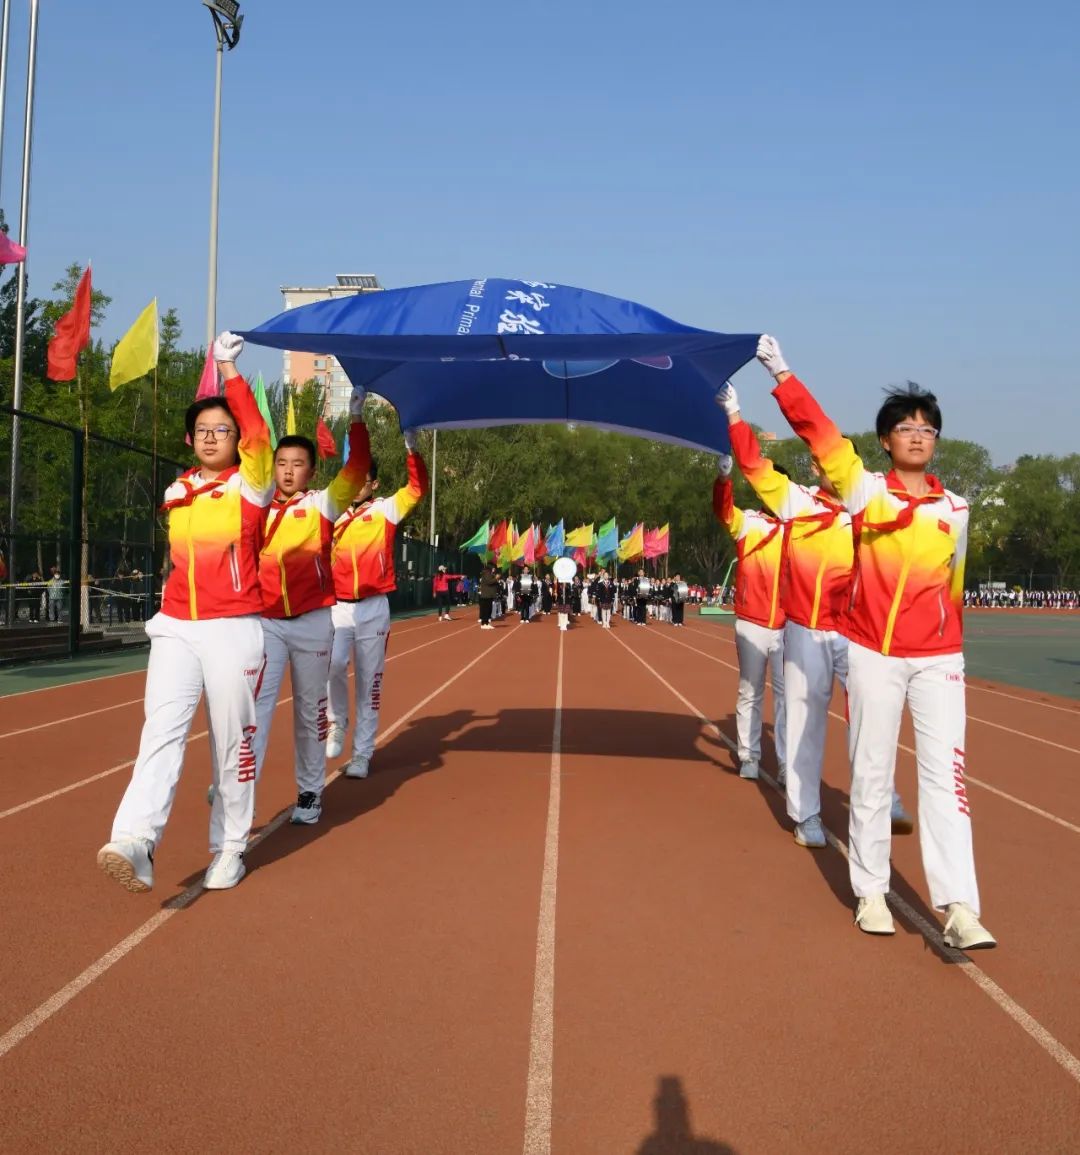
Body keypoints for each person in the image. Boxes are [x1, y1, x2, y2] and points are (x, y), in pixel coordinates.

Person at [754, 334, 994, 948]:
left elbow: (955, 585)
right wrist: (782, 373)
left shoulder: (957, 509)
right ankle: (870, 891)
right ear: (886, 440)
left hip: (939, 660)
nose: (918, 435)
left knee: (946, 780)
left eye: (927, 428)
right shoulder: (868, 493)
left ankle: (960, 905)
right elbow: (821, 438)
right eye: (906, 427)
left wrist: (951, 648)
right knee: (870, 771)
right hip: (874, 656)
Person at [97, 331, 274, 893]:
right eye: (202, 431)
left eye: (223, 430)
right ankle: (135, 840)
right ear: (189, 439)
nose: (211, 437)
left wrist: (228, 371)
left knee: (232, 741)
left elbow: (261, 438)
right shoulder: (177, 493)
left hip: (232, 628)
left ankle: (229, 846)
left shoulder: (252, 488)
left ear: (238, 439)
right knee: (161, 732)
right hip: (175, 626)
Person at [717, 382, 913, 847]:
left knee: (874, 710)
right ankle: (806, 816)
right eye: (823, 461)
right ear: (815, 466)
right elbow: (756, 468)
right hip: (805, 630)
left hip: (855, 631)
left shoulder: (870, 509)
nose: (830, 468)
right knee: (805, 723)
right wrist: (734, 416)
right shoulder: (798, 504)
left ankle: (882, 792)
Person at [252, 391, 371, 824]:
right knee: (255, 708)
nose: (287, 471)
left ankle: (309, 792)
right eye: (281, 463)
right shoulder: (255, 506)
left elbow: (357, 468)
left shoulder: (322, 504)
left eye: (296, 464)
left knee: (308, 711)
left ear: (311, 470)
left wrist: (355, 417)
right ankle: (239, 785)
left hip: (312, 622)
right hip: (265, 623)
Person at [324, 427, 429, 779]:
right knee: (333, 665)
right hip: (337, 607)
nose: (355, 486)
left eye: (362, 481)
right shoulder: (330, 513)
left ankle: (362, 754)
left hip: (372, 607)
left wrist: (411, 449)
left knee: (369, 682)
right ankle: (338, 720)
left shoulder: (385, 511)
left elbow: (416, 490)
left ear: (374, 485)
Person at [714, 454, 787, 783]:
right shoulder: (749, 523)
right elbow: (724, 512)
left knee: (789, 697)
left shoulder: (800, 529)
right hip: (753, 622)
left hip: (790, 626)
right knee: (751, 690)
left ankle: (788, 762)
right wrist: (724, 480)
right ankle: (749, 754)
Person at [477, 562, 500, 629]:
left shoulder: (489, 573)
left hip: (489, 594)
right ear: (491, 568)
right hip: (486, 595)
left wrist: (496, 579)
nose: (494, 569)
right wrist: (496, 578)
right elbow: (489, 582)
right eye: (493, 568)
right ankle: (483, 623)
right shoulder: (487, 573)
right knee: (485, 610)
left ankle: (486, 623)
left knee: (488, 609)